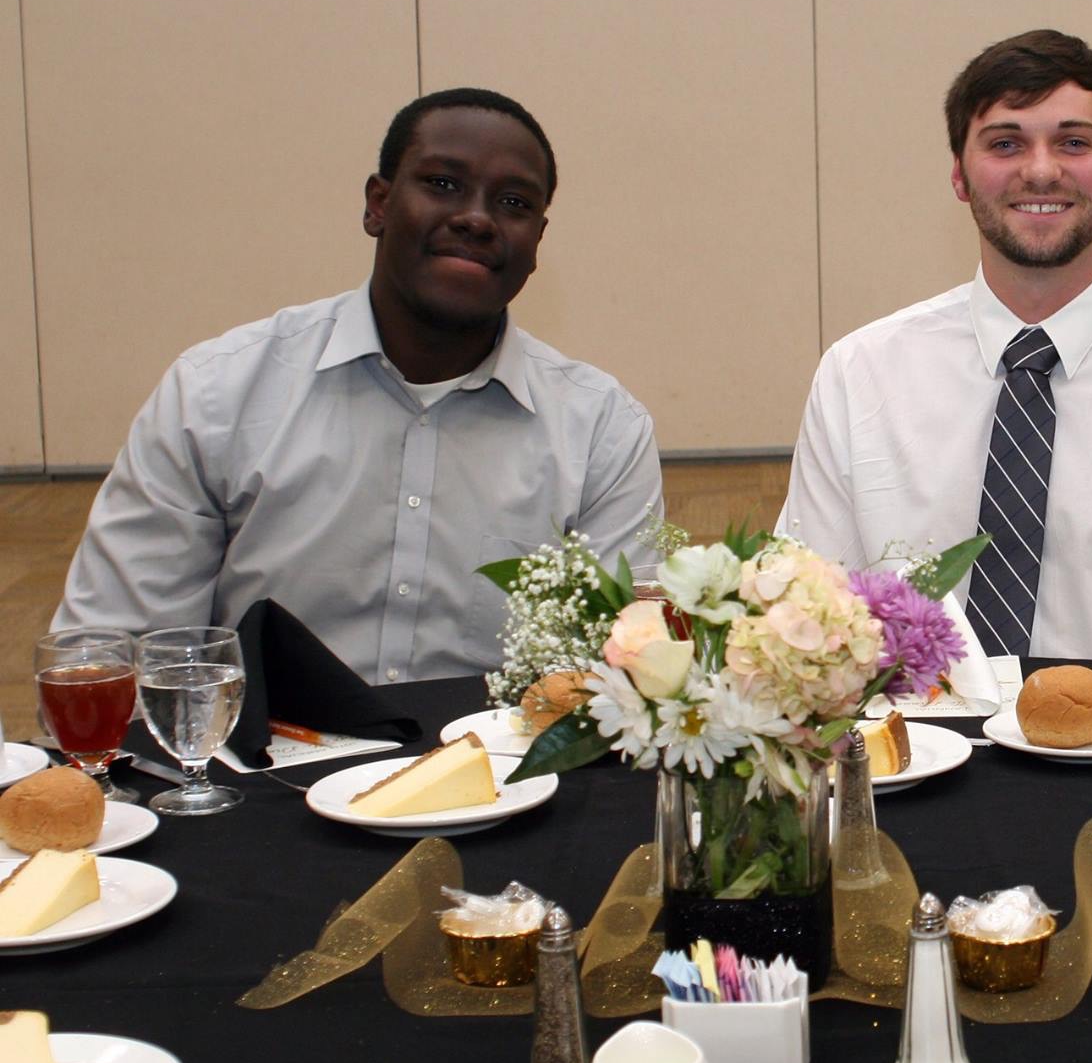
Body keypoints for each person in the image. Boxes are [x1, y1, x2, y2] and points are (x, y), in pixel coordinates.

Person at [53, 88, 663, 684]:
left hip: (506, 775)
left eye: (512, 203)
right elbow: (118, 655)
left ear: (537, 243)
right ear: (378, 204)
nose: (477, 218)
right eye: (443, 184)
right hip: (262, 773)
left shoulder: (602, 431)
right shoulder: (216, 395)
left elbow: (620, 679)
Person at [779, 29, 1092, 663]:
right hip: (914, 750)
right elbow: (806, 628)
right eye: (1005, 143)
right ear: (960, 176)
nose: (1041, 170)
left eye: (1073, 142)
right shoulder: (859, 374)